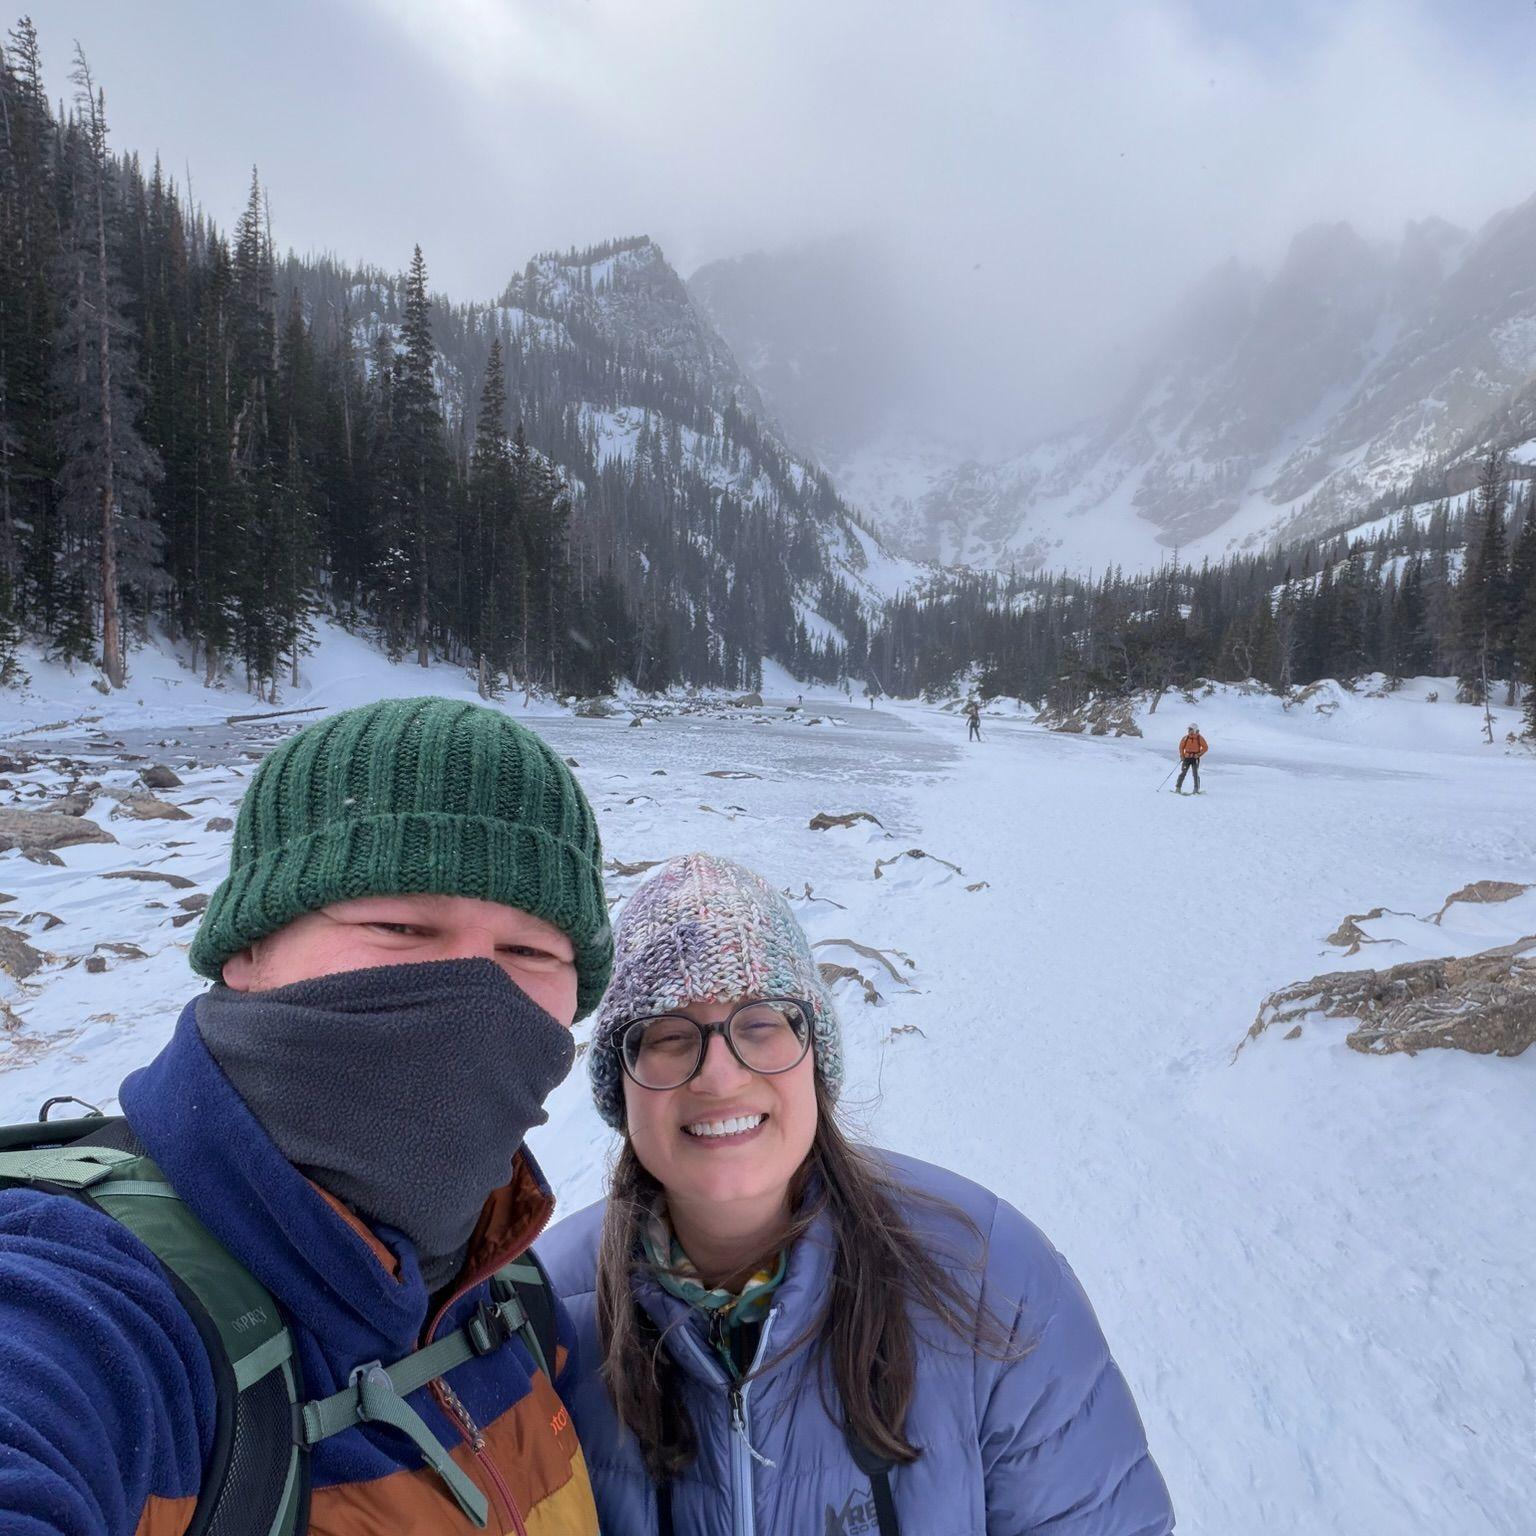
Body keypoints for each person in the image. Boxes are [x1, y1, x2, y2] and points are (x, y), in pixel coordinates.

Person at [0, 696, 613, 1535]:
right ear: (249, 949)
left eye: (531, 950)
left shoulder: (508, 1285)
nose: (477, 990)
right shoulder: (96, 1304)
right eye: (399, 924)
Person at [541, 852, 1176, 1535]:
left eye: (761, 1023)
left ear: (814, 1059)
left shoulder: (993, 1278)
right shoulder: (537, 1316)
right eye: (669, 1035)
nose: (719, 1076)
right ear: (620, 1086)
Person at [1175, 722, 1208, 794]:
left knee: (1195, 774)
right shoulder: (1186, 738)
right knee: (1183, 773)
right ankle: (1178, 788)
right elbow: (1181, 747)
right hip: (1186, 758)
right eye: (1189, 729)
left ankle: (1196, 789)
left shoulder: (1199, 738)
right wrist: (1182, 755)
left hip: (1195, 759)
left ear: (1195, 730)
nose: (1189, 731)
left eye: (1191, 729)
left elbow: (1205, 747)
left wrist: (1198, 754)